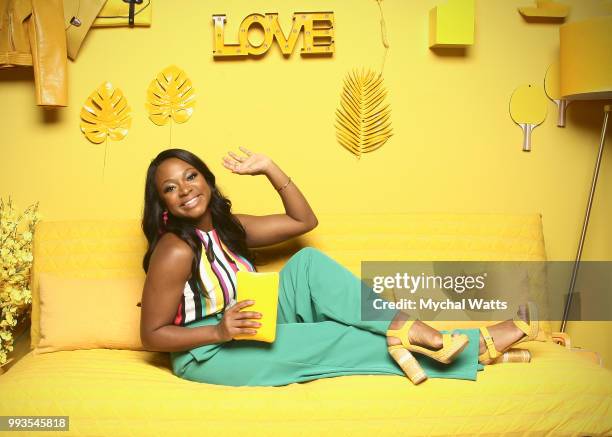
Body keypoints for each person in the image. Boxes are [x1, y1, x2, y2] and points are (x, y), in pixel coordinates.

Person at [140, 147, 540, 386]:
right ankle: (474, 347)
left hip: (249, 317)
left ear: (208, 179)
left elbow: (303, 223)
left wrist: (270, 168)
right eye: (170, 188)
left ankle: (408, 328)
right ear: (163, 204)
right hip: (208, 350)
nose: (185, 189)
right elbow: (151, 335)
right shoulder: (175, 250)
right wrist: (219, 331)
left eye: (190, 176)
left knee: (308, 263)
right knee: (334, 335)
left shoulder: (228, 227)